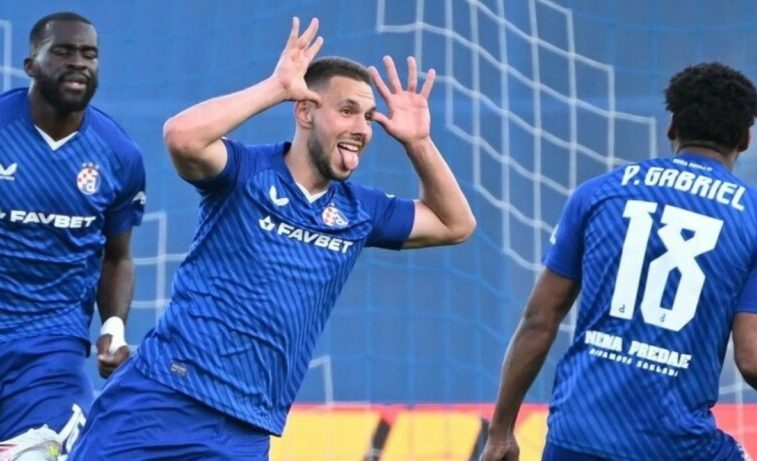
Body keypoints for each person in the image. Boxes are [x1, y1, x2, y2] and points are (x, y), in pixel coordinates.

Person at [70, 16, 474, 460]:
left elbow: (454, 224)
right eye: (347, 111)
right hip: (162, 396)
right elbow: (182, 137)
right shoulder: (246, 172)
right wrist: (276, 87)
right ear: (305, 111)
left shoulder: (362, 210)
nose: (362, 128)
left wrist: (418, 142)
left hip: (244, 429)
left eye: (368, 117)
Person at [480, 62, 757, 461]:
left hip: (575, 436)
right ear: (746, 138)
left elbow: (539, 318)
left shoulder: (599, 192)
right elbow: (754, 361)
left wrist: (500, 432)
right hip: (673, 444)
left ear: (672, 126)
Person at [0, 11, 146, 460]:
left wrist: (114, 327)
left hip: (50, 347)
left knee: (43, 451)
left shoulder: (118, 154)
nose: (78, 62)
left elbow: (117, 257)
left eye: (89, 54)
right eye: (62, 51)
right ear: (30, 65)